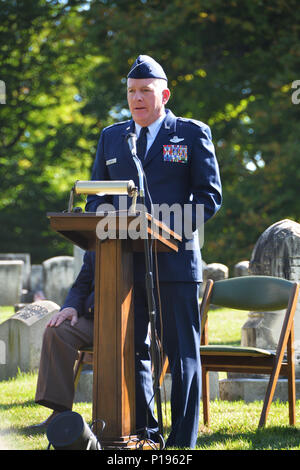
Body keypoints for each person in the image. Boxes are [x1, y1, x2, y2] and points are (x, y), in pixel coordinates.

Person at [35, 55, 222, 449]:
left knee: (181, 354)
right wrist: (103, 219)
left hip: (174, 262)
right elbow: (97, 200)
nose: (137, 99)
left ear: (164, 94)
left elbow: (209, 197)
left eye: (145, 91)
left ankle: (181, 443)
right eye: (131, 92)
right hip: (122, 264)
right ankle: (145, 432)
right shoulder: (112, 137)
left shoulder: (189, 133)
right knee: (131, 350)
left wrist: (165, 229)